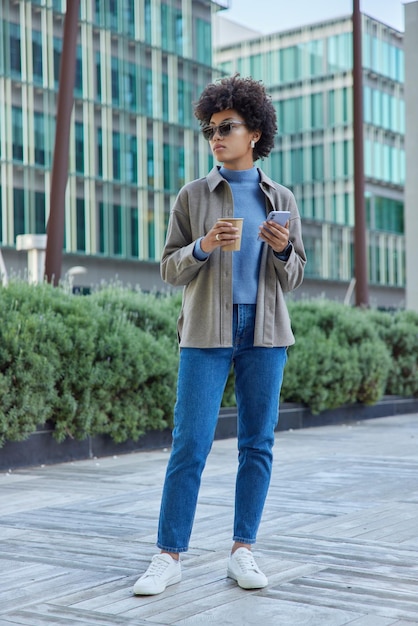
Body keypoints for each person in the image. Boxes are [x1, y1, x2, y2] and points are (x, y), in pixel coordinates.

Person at [133, 75, 306, 596]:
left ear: (255, 132)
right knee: (190, 443)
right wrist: (204, 246)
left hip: (266, 332)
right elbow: (168, 269)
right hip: (206, 330)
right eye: (210, 128)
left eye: (226, 127)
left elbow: (295, 275)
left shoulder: (283, 199)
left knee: (258, 444)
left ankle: (242, 550)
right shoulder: (193, 196)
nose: (215, 136)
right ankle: (168, 555)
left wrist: (280, 249)